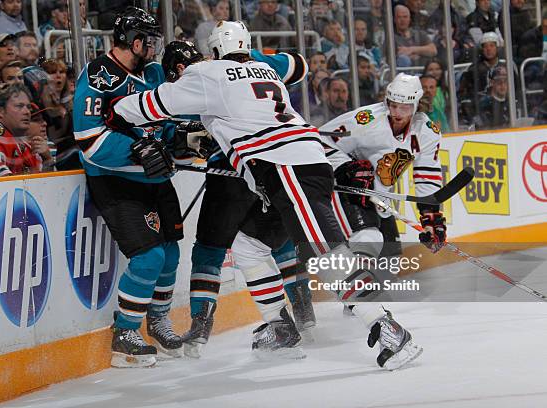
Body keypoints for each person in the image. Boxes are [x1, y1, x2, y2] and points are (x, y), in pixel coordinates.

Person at [110, 21, 423, 370]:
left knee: (326, 255)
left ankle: (387, 328)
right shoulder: (266, 69)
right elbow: (297, 67)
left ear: (214, 51)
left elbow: (153, 104)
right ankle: (280, 327)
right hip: (295, 164)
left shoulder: (208, 73)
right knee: (248, 246)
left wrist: (113, 109)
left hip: (286, 168)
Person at [160, 39, 316, 358]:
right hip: (273, 166)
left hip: (231, 174)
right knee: (280, 240)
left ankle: (200, 329)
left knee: (210, 248)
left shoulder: (193, 80)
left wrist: (184, 141)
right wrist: (253, 59)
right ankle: (305, 315)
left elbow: (179, 133)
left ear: (177, 68)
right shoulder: (241, 68)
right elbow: (300, 64)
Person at [73, 7, 183, 368]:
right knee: (148, 256)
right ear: (134, 41)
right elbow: (89, 141)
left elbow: (162, 122)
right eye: (149, 40)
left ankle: (158, 319)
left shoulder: (152, 72)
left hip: (156, 180)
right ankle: (124, 332)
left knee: (170, 255)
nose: (153, 47)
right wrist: (137, 152)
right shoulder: (98, 76)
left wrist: (179, 137)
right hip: (117, 181)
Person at [320, 73, 441, 369]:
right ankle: (369, 311)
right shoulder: (365, 120)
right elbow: (318, 139)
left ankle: (357, 299)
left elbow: (427, 175)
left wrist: (432, 219)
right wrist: (346, 166)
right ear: (387, 100)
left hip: (380, 196)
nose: (397, 113)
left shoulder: (427, 131)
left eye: (404, 108)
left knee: (389, 262)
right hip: (348, 191)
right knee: (367, 240)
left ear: (415, 107)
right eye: (393, 105)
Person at [0, 83, 54, 176]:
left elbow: (44, 185)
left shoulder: (27, 146)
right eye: (19, 106)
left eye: (28, 107)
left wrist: (48, 160)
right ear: (0, 111)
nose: (27, 112)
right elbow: (2, 184)